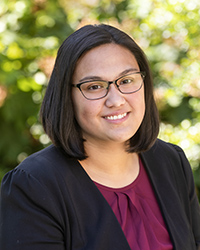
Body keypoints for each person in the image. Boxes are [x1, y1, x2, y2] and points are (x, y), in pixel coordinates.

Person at [0, 24, 200, 250]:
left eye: (126, 81)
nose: (116, 100)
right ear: (67, 97)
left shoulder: (171, 161)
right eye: (94, 86)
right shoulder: (34, 185)